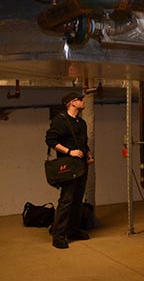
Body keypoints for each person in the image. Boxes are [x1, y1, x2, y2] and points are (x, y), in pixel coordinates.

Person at [45, 92, 94, 249]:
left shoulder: (81, 122)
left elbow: (83, 142)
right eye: (80, 100)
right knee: (67, 200)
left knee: (78, 199)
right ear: (72, 103)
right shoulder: (60, 120)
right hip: (68, 166)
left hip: (81, 166)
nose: (83, 101)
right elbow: (50, 140)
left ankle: (73, 230)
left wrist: (88, 154)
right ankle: (58, 235)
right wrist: (69, 151)